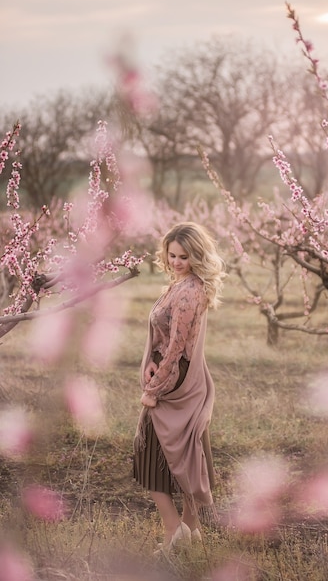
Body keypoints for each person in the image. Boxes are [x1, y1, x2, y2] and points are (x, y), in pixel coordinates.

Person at [133, 221, 226, 554]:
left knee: (150, 453)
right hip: (176, 374)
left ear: (197, 256)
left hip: (176, 382)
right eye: (171, 255)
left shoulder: (188, 292)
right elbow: (166, 340)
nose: (175, 261)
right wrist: (152, 361)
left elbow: (176, 347)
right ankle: (190, 529)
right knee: (189, 449)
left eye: (183, 256)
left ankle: (175, 534)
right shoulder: (182, 284)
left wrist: (154, 389)